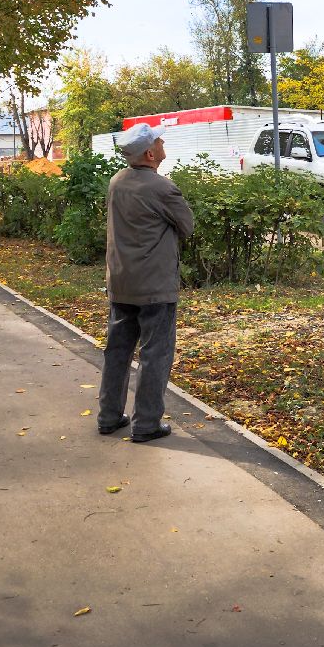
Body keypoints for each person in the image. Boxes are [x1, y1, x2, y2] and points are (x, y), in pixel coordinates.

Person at [98, 123, 194, 443]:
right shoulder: (162, 187)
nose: (163, 141)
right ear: (151, 153)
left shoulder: (117, 182)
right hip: (155, 286)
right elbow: (187, 225)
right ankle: (146, 423)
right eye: (158, 139)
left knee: (118, 350)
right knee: (155, 354)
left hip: (121, 281)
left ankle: (109, 416)